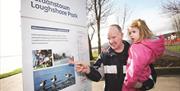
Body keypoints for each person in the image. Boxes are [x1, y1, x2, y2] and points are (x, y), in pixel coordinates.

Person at [70, 24, 130, 91]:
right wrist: (88, 70)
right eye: (109, 38)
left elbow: (143, 76)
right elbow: (97, 76)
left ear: (122, 35)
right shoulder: (104, 55)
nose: (111, 41)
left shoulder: (134, 54)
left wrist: (141, 84)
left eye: (113, 37)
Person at [122, 19, 165, 91]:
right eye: (130, 33)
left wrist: (129, 82)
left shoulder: (137, 47)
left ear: (142, 32)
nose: (131, 35)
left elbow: (135, 67)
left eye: (134, 32)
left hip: (134, 80)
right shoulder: (147, 46)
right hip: (144, 78)